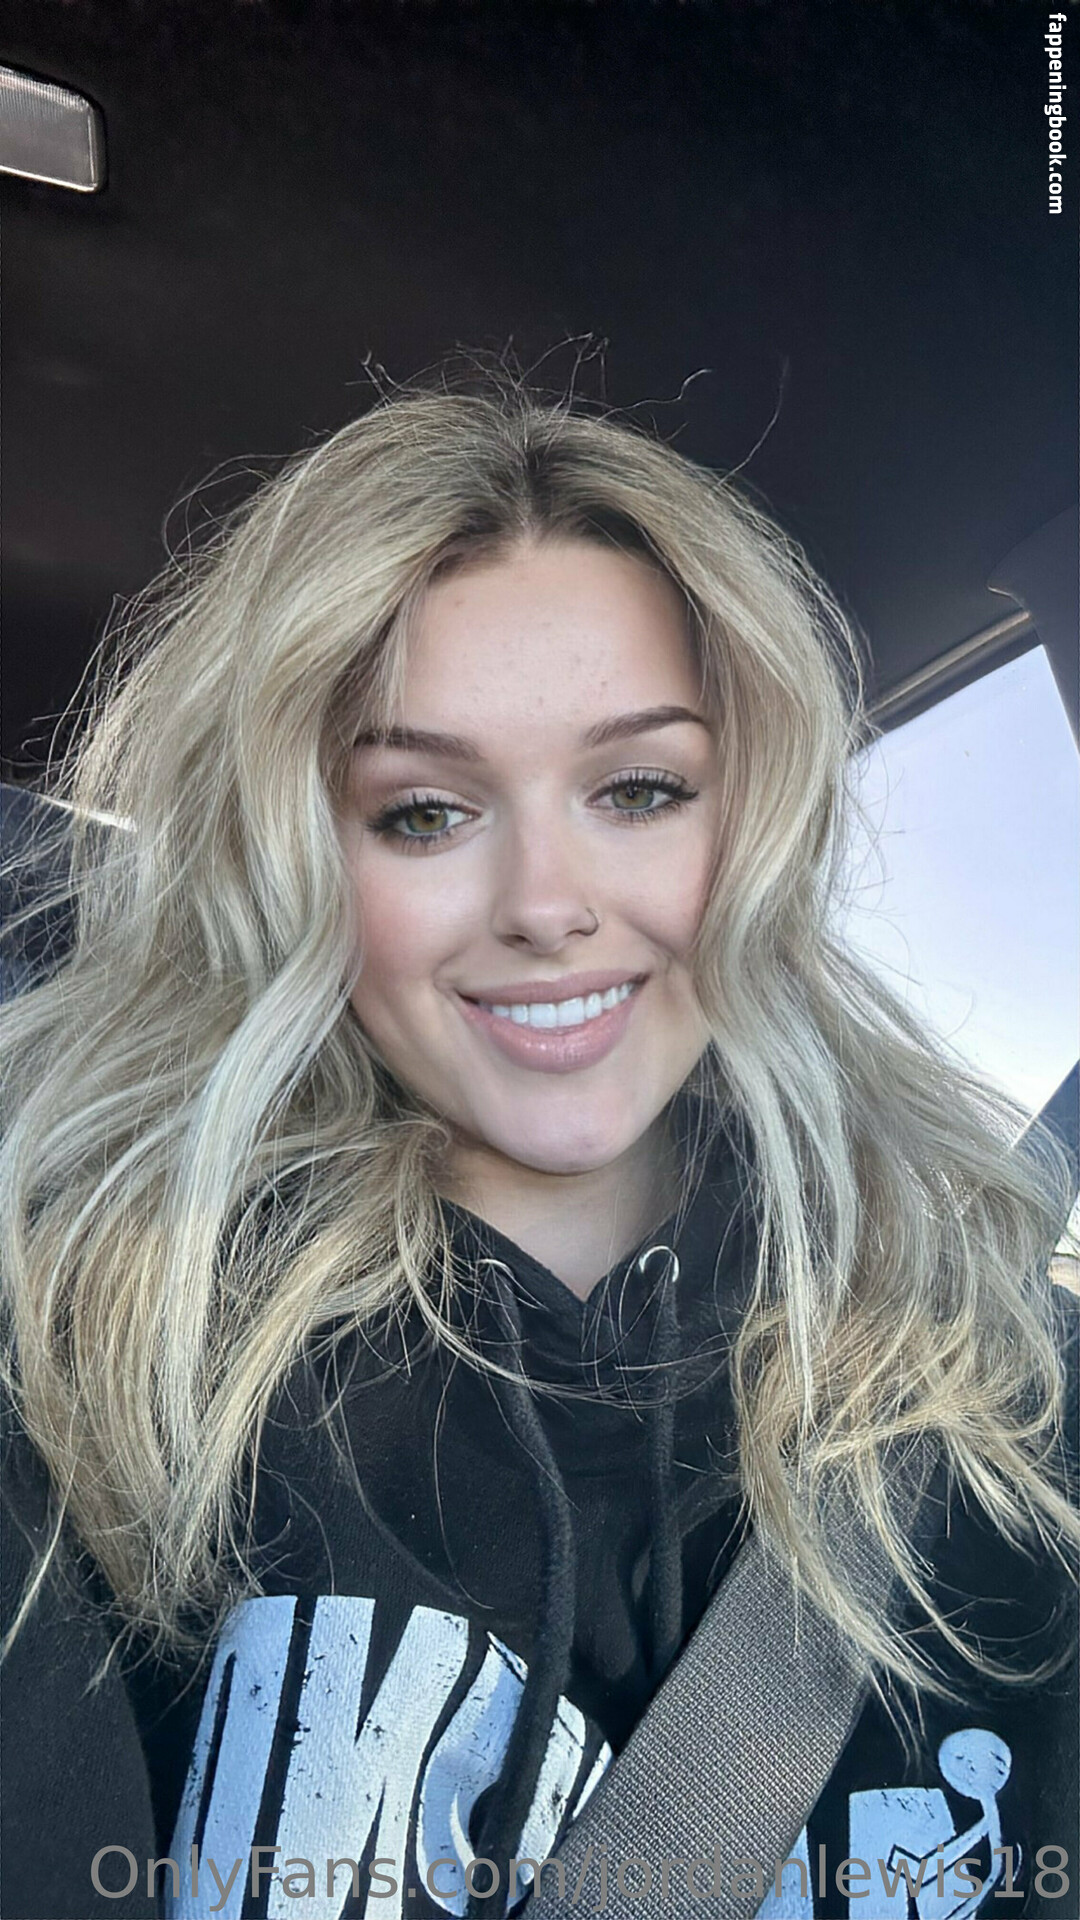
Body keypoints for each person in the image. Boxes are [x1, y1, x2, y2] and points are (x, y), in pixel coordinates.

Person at [1, 373, 1077, 1920]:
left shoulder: (1014, 1409)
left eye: (639, 790)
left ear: (753, 828)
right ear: (294, 861)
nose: (547, 904)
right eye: (424, 814)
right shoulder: (84, 1364)